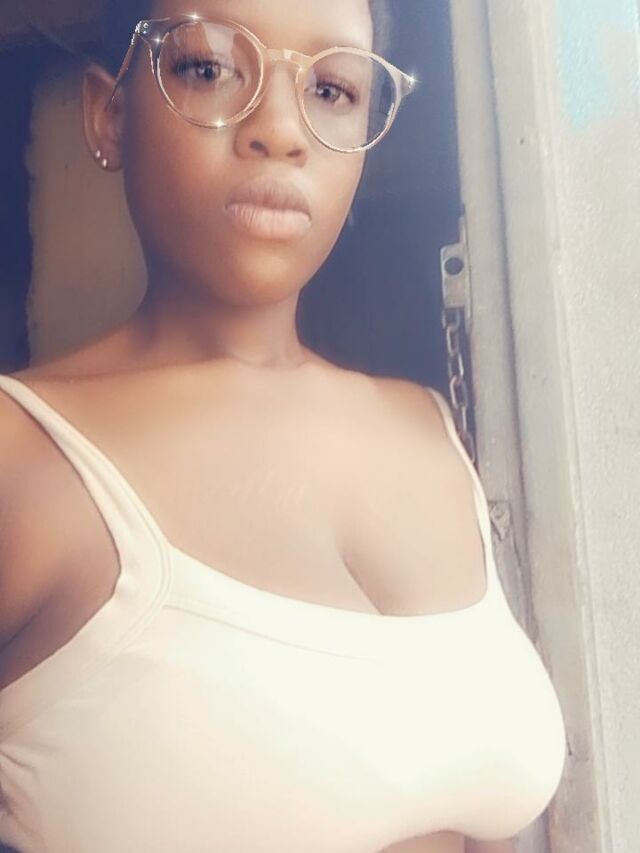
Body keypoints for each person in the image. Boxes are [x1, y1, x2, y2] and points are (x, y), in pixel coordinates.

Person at [0, 2, 567, 851]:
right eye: (208, 68)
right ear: (109, 113)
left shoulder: (427, 427)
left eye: (332, 89)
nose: (280, 131)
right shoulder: (24, 454)